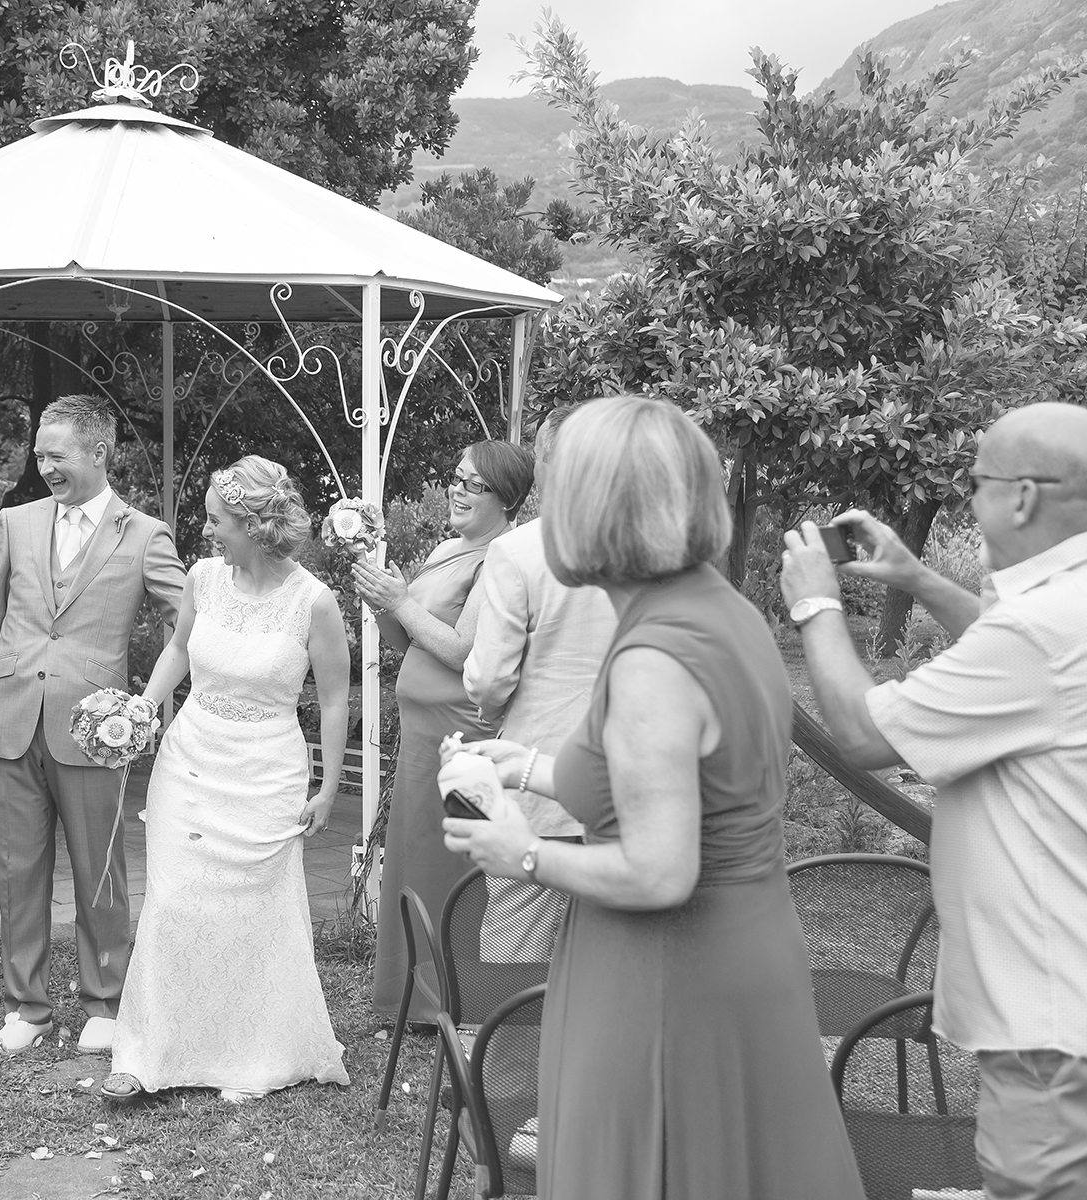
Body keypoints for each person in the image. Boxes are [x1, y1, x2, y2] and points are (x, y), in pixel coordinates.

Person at [438, 396, 864, 1200]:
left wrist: (520, 853)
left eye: (558, 489)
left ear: (595, 513)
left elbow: (659, 871)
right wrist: (530, 767)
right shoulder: (720, 610)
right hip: (739, 950)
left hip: (669, 974)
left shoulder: (652, 660)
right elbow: (684, 783)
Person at [781, 401, 1087, 1199]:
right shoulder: (1062, 610)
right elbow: (1014, 644)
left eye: (975, 483)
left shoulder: (1040, 630)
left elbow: (862, 733)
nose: (969, 501)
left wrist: (815, 604)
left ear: (1022, 496)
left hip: (1052, 1022)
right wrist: (917, 579)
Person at [0, 395, 186, 1056]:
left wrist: (147, 704)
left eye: (57, 455)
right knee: (16, 871)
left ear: (98, 452)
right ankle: (28, 1008)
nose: (44, 467)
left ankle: (105, 1003)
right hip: (9, 717)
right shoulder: (15, 523)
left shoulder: (145, 534)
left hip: (95, 731)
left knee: (99, 872)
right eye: (39, 455)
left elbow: (189, 625)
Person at [101, 455, 351, 1103]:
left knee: (254, 910)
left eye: (217, 520)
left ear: (256, 525)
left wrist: (326, 787)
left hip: (268, 770)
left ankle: (252, 1051)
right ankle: (149, 1051)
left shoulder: (314, 603)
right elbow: (178, 650)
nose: (207, 530)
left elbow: (332, 699)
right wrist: (140, 710)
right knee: (173, 900)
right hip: (191, 761)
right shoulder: (203, 579)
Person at [355, 439, 532, 1023]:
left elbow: (463, 650)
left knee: (452, 862)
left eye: (474, 484)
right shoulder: (444, 550)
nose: (458, 489)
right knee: (414, 856)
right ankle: (407, 997)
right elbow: (407, 639)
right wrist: (384, 604)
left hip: (461, 734)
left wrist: (402, 601)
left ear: (507, 499)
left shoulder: (499, 559)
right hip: (419, 731)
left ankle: (456, 1000)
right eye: (456, 477)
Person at [458, 406, 618, 965]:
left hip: (539, 776)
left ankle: (510, 1026)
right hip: (625, 784)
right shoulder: (650, 548)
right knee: (610, 960)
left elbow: (490, 676)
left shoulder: (520, 550)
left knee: (518, 958)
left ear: (551, 464)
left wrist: (486, 709)